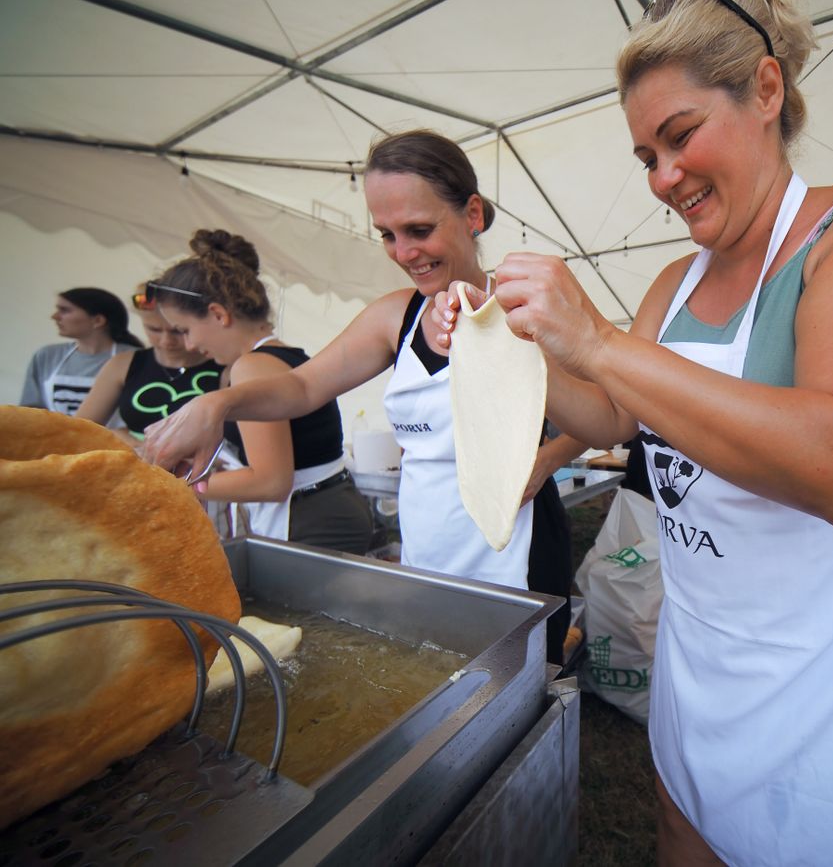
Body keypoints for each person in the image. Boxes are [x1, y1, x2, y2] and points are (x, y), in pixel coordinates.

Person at [433, 0, 833, 864]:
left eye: (680, 137)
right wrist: (505, 343)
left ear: (766, 89)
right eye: (646, 157)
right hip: (707, 663)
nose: (663, 177)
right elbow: (611, 417)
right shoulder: (672, 285)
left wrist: (601, 341)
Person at [143, 136, 584, 651]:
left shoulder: (524, 304)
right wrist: (217, 404)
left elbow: (608, 415)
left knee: (519, 693)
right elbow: (302, 387)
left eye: (419, 230)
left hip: (517, 546)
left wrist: (549, 458)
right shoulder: (396, 316)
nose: (404, 253)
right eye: (388, 235)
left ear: (472, 214)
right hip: (430, 541)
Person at [148, 229, 374, 555]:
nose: (189, 345)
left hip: (310, 519)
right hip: (325, 509)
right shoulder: (280, 356)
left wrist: (176, 481)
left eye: (185, 330)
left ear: (218, 314)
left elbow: (270, 482)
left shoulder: (253, 367)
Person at [75, 283, 221, 443]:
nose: (166, 341)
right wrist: (119, 438)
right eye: (154, 329)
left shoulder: (224, 364)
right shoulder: (122, 365)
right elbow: (80, 430)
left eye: (178, 331)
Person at [20, 288, 143, 418]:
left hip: (113, 438)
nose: (54, 316)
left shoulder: (134, 358)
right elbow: (30, 410)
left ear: (98, 321)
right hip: (53, 437)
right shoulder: (46, 355)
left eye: (64, 310)